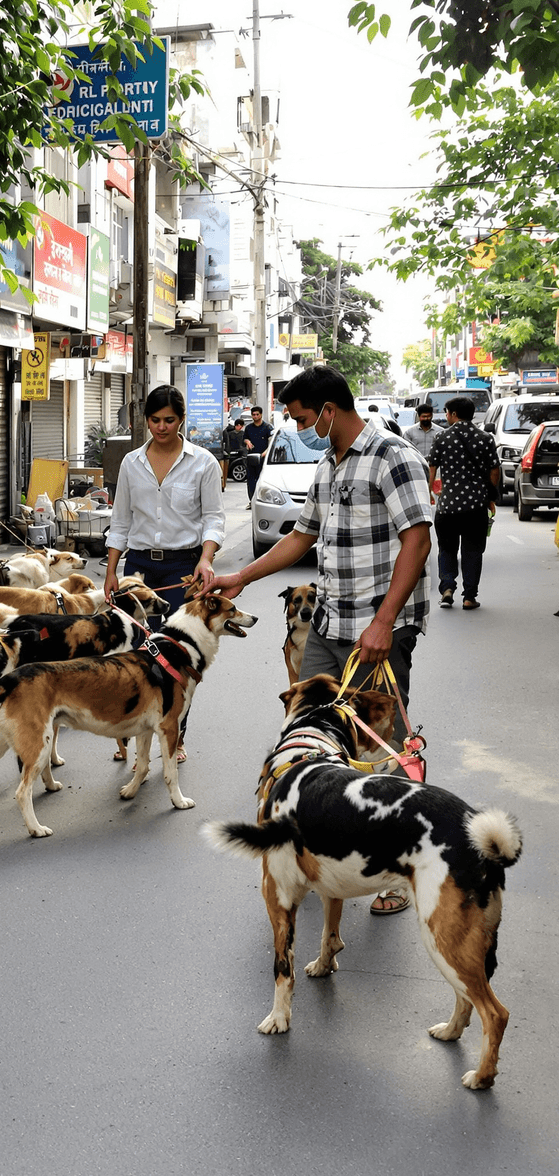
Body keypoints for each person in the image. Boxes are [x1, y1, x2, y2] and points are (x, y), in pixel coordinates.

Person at [207, 364, 433, 916]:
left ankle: (397, 871)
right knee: (314, 730)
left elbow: (418, 541)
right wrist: (241, 577)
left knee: (385, 744)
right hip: (331, 627)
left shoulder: (391, 456)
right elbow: (301, 536)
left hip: (379, 632)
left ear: (328, 411)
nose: (299, 425)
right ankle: (318, 843)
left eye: (302, 416)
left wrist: (384, 621)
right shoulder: (329, 464)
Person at [104, 385, 225, 763]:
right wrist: (111, 570)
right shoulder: (130, 463)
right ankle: (129, 733)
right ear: (145, 421)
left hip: (183, 567)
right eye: (154, 420)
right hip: (138, 567)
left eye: (169, 420)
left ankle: (176, 735)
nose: (161, 427)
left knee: (177, 656)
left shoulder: (203, 462)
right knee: (135, 652)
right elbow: (120, 521)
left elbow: (213, 519)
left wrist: (205, 560)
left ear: (182, 419)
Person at [428, 396, 500, 610]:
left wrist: (429, 492)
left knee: (447, 549)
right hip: (476, 507)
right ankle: (469, 596)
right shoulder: (485, 438)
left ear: (454, 415)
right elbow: (494, 470)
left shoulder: (441, 437)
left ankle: (448, 587)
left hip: (447, 507)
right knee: (473, 551)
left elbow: (432, 467)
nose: (446, 416)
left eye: (447, 412)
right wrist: (490, 497)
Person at [242, 405, 273, 506]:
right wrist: (248, 442)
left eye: (257, 414)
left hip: (263, 458)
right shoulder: (248, 428)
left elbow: (272, 443)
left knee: (262, 480)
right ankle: (252, 501)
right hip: (251, 457)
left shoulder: (267, 427)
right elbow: (244, 439)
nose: (255, 416)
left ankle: (262, 501)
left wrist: (264, 454)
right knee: (251, 480)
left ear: (261, 415)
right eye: (253, 415)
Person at [219, 417, 245, 491]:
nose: (242, 428)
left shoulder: (229, 432)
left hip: (230, 452)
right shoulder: (231, 433)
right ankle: (223, 484)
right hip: (231, 453)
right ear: (239, 425)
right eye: (241, 426)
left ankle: (223, 484)